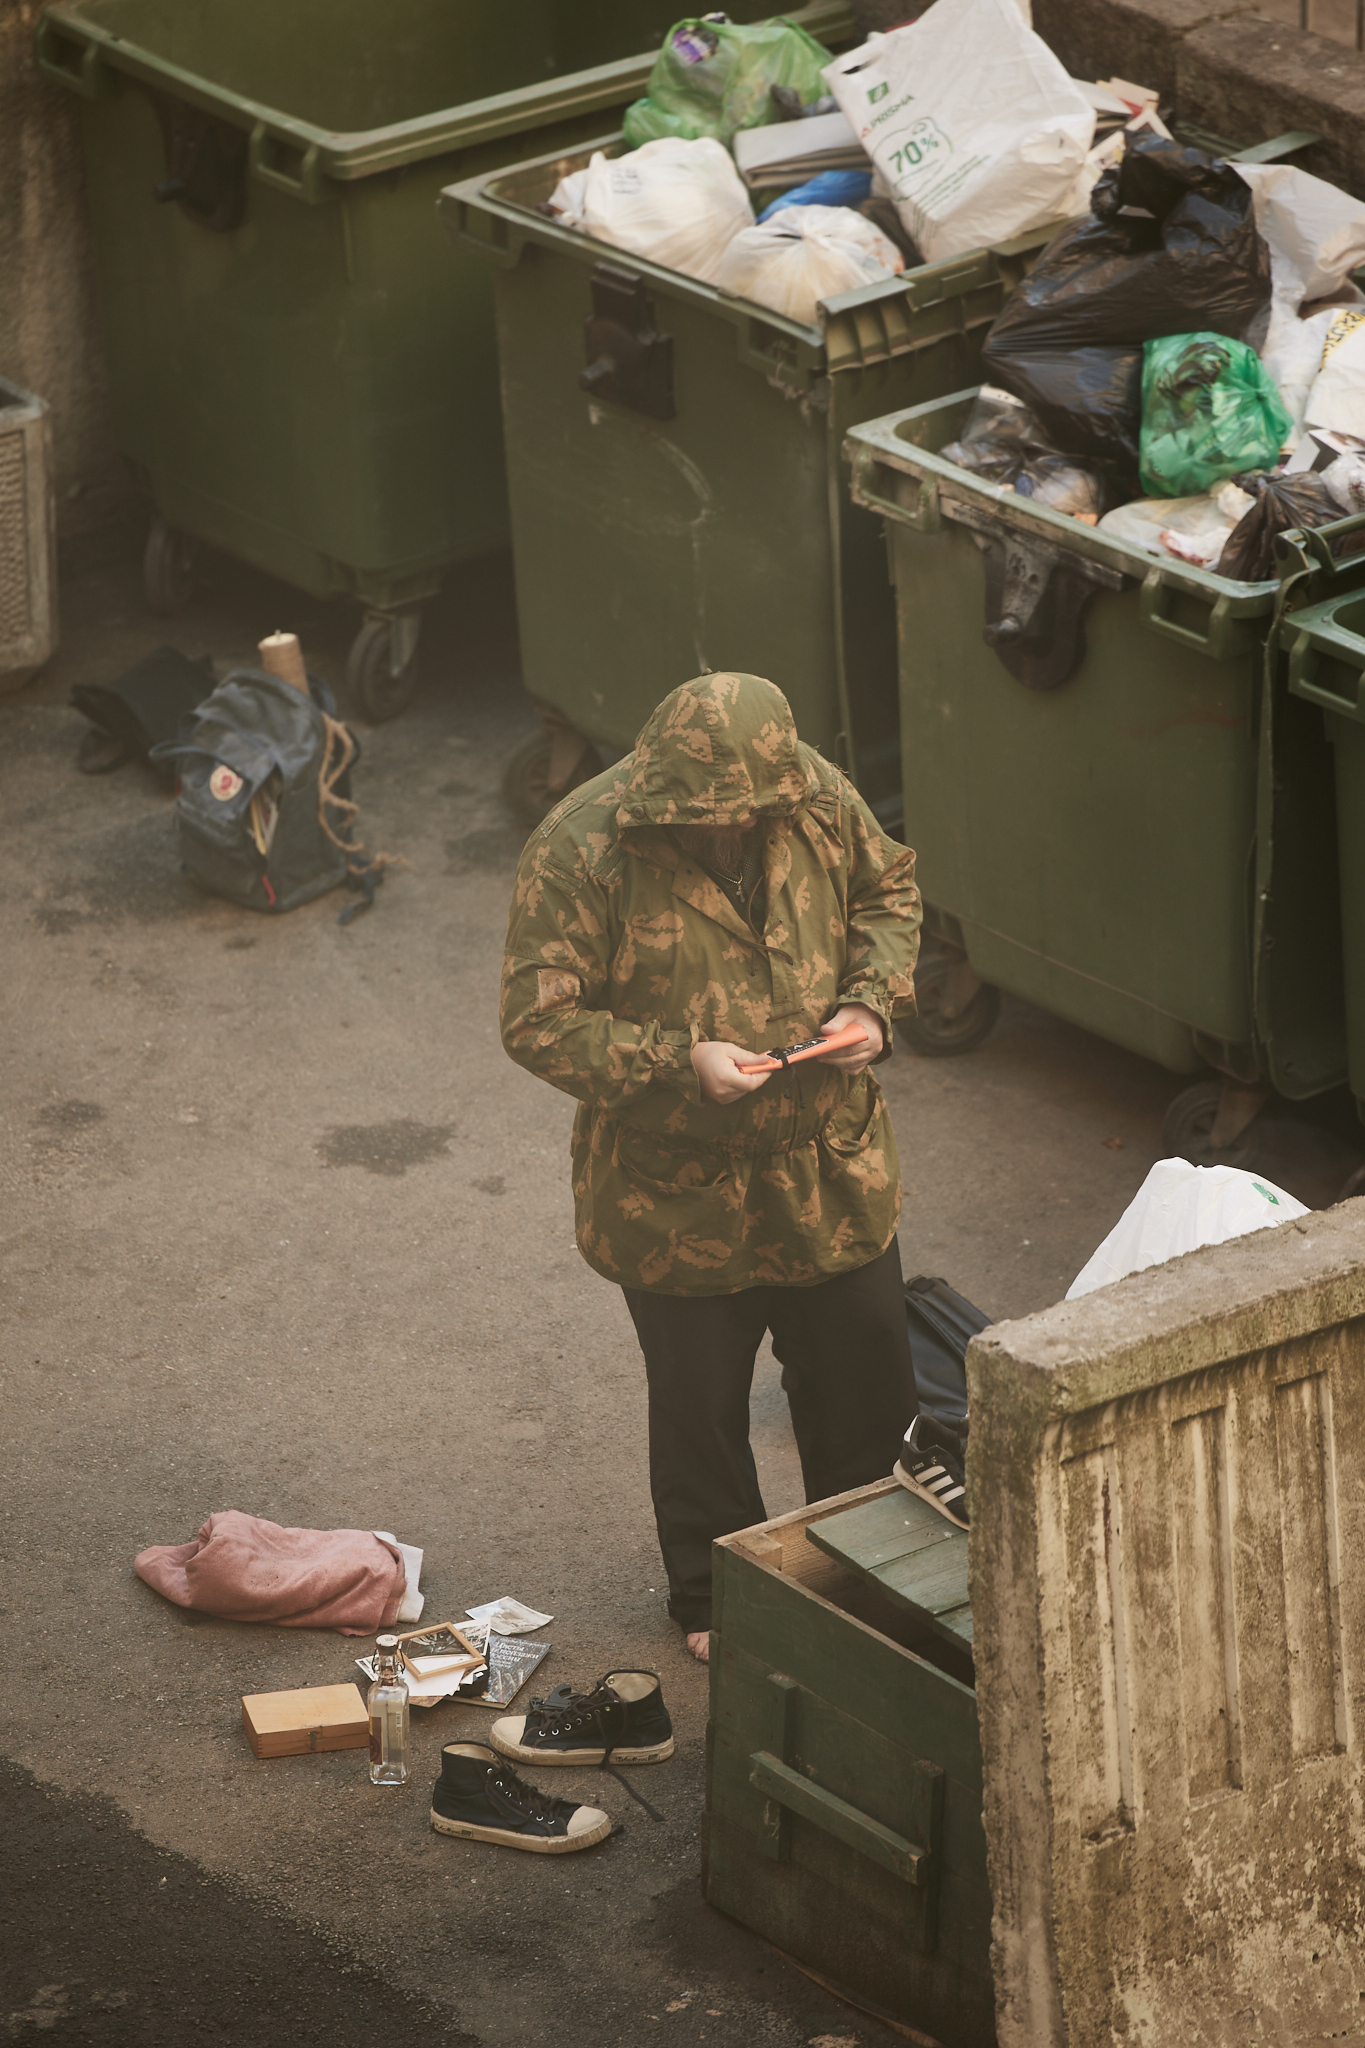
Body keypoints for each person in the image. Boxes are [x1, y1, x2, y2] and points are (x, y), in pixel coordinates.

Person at [500, 672, 965, 1661]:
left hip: (826, 1169)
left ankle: (868, 1568)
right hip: (673, 1190)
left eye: (747, 817)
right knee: (702, 1404)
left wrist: (873, 1003)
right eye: (702, 820)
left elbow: (889, 889)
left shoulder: (813, 793)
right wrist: (677, 1062)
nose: (728, 832)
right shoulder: (582, 846)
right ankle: (713, 1594)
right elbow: (537, 1020)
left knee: (865, 1380)